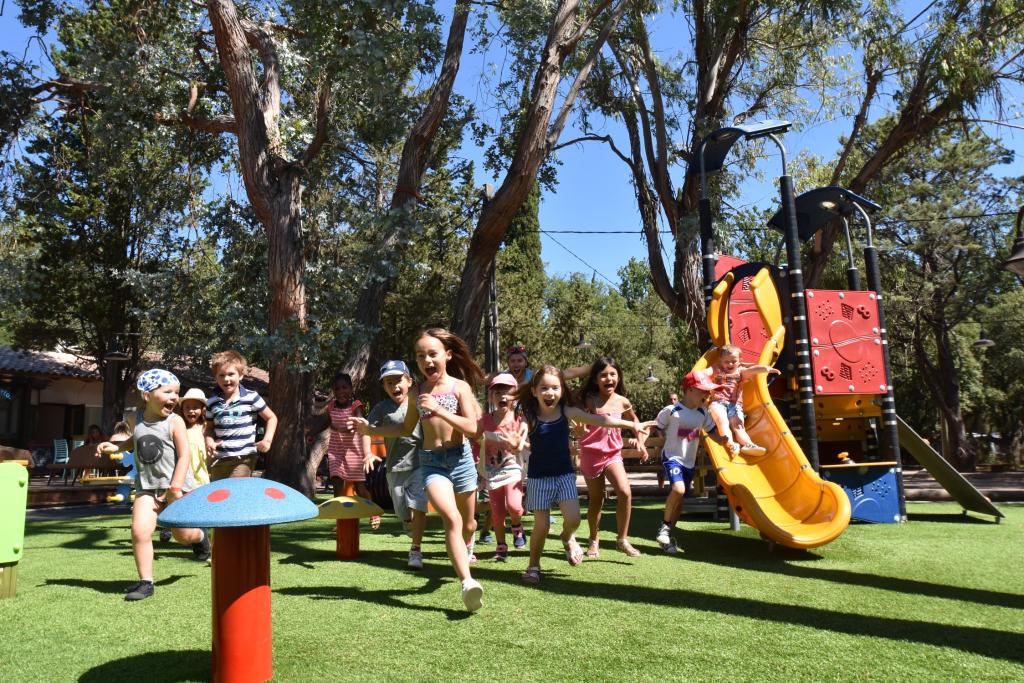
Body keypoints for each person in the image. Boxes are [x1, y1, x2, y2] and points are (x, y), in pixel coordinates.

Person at [350, 328, 486, 612]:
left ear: (447, 355)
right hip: (431, 463)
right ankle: (467, 583)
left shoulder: (459, 388)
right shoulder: (417, 392)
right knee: (451, 518)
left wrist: (439, 410)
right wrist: (370, 428)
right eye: (420, 355)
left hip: (460, 460)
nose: (427, 360)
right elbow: (403, 428)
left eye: (432, 353)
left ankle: (468, 544)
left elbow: (473, 429)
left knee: (468, 523)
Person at [514, 365, 653, 585]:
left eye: (555, 388)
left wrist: (631, 423)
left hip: (564, 476)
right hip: (539, 478)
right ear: (534, 391)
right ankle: (533, 566)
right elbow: (521, 429)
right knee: (541, 526)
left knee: (574, 519)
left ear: (562, 390)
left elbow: (602, 420)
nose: (550, 393)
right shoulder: (529, 415)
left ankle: (568, 537)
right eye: (544, 388)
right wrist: (519, 437)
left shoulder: (567, 412)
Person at [96, 369, 209, 601]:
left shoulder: (175, 421)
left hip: (175, 489)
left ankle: (200, 538)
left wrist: (175, 488)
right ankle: (145, 582)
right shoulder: (136, 418)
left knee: (182, 536)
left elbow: (185, 455)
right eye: (167, 392)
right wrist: (116, 447)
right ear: (147, 395)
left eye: (176, 393)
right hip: (147, 487)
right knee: (139, 530)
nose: (174, 398)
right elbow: (135, 440)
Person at [576, 356, 648, 558]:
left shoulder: (622, 401)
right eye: (603, 375)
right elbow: (573, 417)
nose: (609, 378)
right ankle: (593, 540)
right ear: (596, 379)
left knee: (625, 492)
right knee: (596, 500)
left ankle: (622, 539)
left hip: (612, 454)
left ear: (618, 377)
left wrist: (640, 442)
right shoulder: (588, 399)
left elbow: (636, 423)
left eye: (612, 374)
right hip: (590, 454)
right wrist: (578, 429)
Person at [654, 371, 730, 554]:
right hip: (672, 457)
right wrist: (646, 441)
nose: (706, 395)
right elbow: (657, 426)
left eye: (707, 391)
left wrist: (724, 440)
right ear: (688, 390)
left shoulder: (703, 413)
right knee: (678, 490)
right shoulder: (672, 411)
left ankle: (667, 537)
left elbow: (711, 431)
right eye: (702, 391)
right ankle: (664, 528)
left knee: (679, 504)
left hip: (689, 462)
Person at [362, 360, 426, 565]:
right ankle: (407, 523)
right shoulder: (382, 408)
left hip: (419, 463)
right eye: (388, 383)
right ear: (384, 387)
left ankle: (416, 549)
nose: (394, 386)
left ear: (409, 381)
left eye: (398, 381)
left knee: (418, 504)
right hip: (395, 467)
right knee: (401, 510)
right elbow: (366, 430)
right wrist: (368, 453)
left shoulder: (418, 403)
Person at [309, 372, 382, 528]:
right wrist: (310, 433)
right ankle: (340, 519)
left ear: (351, 388)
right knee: (336, 483)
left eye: (344, 387)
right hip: (336, 450)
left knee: (359, 488)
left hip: (354, 450)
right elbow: (324, 423)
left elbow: (360, 424)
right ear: (333, 391)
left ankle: (373, 512)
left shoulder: (356, 406)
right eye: (337, 388)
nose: (341, 391)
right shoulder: (331, 407)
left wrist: (346, 427)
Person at [475, 373, 528, 561]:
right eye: (497, 392)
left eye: (508, 391)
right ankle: (501, 544)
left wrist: (519, 444)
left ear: (515, 395)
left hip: (513, 468)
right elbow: (474, 437)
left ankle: (517, 527)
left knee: (514, 506)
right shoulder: (485, 420)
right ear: (491, 397)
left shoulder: (520, 419)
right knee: (496, 512)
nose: (502, 396)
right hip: (492, 472)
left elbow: (526, 443)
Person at [204, 350, 277, 480]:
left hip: (243, 458)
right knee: (219, 496)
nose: (226, 379)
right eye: (221, 375)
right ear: (216, 378)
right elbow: (209, 427)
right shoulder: (212, 402)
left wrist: (267, 440)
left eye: (231, 374)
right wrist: (209, 440)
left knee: (235, 493)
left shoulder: (251, 397)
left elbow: (271, 418)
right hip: (219, 459)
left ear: (241, 375)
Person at [702, 344, 780, 456]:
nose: (730, 364)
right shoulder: (716, 368)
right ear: (720, 360)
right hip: (717, 403)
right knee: (722, 421)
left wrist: (766, 369)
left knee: (738, 426)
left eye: (733, 361)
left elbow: (752, 370)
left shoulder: (740, 372)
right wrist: (697, 377)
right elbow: (705, 373)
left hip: (734, 405)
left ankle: (748, 444)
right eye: (726, 361)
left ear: (739, 361)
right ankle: (731, 444)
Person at [178, 388, 211, 487]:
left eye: (195, 407)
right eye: (187, 407)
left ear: (203, 409)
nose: (191, 411)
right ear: (182, 409)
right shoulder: (180, 428)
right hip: (183, 476)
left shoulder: (205, 428)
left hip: (201, 475)